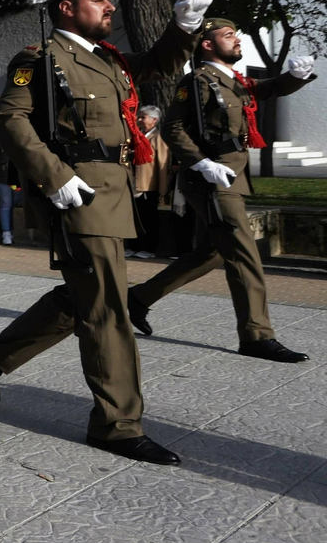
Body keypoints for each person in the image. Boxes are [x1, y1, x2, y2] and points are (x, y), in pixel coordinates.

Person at [0, 0, 208, 466]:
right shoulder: (40, 58)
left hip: (112, 194)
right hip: (77, 193)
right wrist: (54, 176)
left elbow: (159, 63)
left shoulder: (107, 59)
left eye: (109, 0)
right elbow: (9, 119)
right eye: (98, 0)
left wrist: (184, 28)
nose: (109, 7)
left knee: (86, 295)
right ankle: (117, 426)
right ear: (66, 8)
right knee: (108, 308)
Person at [127, 19, 314, 363]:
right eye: (228, 35)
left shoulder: (235, 80)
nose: (237, 39)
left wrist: (296, 77)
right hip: (211, 179)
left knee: (211, 253)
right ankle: (256, 336)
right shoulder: (197, 81)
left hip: (231, 176)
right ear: (208, 44)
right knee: (244, 253)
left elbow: (267, 88)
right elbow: (173, 128)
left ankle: (138, 299)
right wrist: (201, 163)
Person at [126, 105, 172, 258]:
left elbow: (162, 164)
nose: (139, 120)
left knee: (148, 218)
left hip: (148, 185)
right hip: (133, 183)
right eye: (138, 117)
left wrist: (163, 189)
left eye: (143, 117)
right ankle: (133, 246)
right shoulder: (136, 136)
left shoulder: (158, 138)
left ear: (154, 120)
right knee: (134, 217)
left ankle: (148, 248)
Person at [0, 150, 24, 246]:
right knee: (6, 204)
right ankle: (6, 233)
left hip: (17, 176)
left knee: (15, 203)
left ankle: (12, 231)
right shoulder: (0, 140)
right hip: (3, 176)